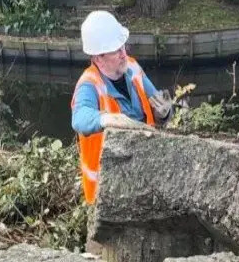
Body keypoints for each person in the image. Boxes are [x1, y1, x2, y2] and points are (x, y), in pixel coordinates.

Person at [71, 10, 174, 204]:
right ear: (98, 58)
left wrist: (164, 113)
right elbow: (79, 118)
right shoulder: (89, 84)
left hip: (145, 177)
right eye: (116, 50)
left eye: (123, 46)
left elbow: (158, 107)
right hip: (107, 193)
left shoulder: (132, 67)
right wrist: (106, 118)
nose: (123, 53)